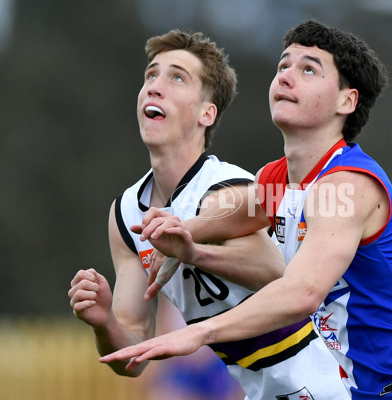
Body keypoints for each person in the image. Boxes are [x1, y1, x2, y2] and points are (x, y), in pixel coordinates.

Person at [100, 21, 392, 400]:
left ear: (346, 101)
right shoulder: (281, 179)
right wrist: (187, 235)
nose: (286, 76)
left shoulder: (345, 186)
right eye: (283, 65)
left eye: (308, 70)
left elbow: (301, 292)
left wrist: (199, 333)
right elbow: (238, 213)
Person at [68, 29, 350, 400]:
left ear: (207, 112)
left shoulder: (225, 187)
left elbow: (274, 271)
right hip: (260, 387)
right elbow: (131, 356)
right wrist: (103, 323)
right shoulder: (125, 214)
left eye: (176, 78)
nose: (155, 86)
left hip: (327, 377)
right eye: (151, 75)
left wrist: (194, 251)